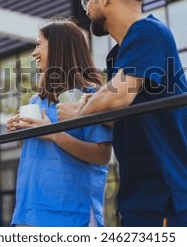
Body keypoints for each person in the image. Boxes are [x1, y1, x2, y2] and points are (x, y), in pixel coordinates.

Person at [57, 0, 187, 227]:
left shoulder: (148, 31)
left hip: (163, 193)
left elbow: (117, 97)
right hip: (137, 194)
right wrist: (93, 104)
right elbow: (116, 114)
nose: (86, 9)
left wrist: (79, 111)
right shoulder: (118, 55)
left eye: (87, 1)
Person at [7, 19, 113, 227]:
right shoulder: (37, 100)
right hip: (30, 212)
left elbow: (102, 155)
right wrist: (22, 130)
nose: (33, 53)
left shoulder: (89, 95)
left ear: (57, 46)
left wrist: (55, 135)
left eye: (39, 44)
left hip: (72, 214)